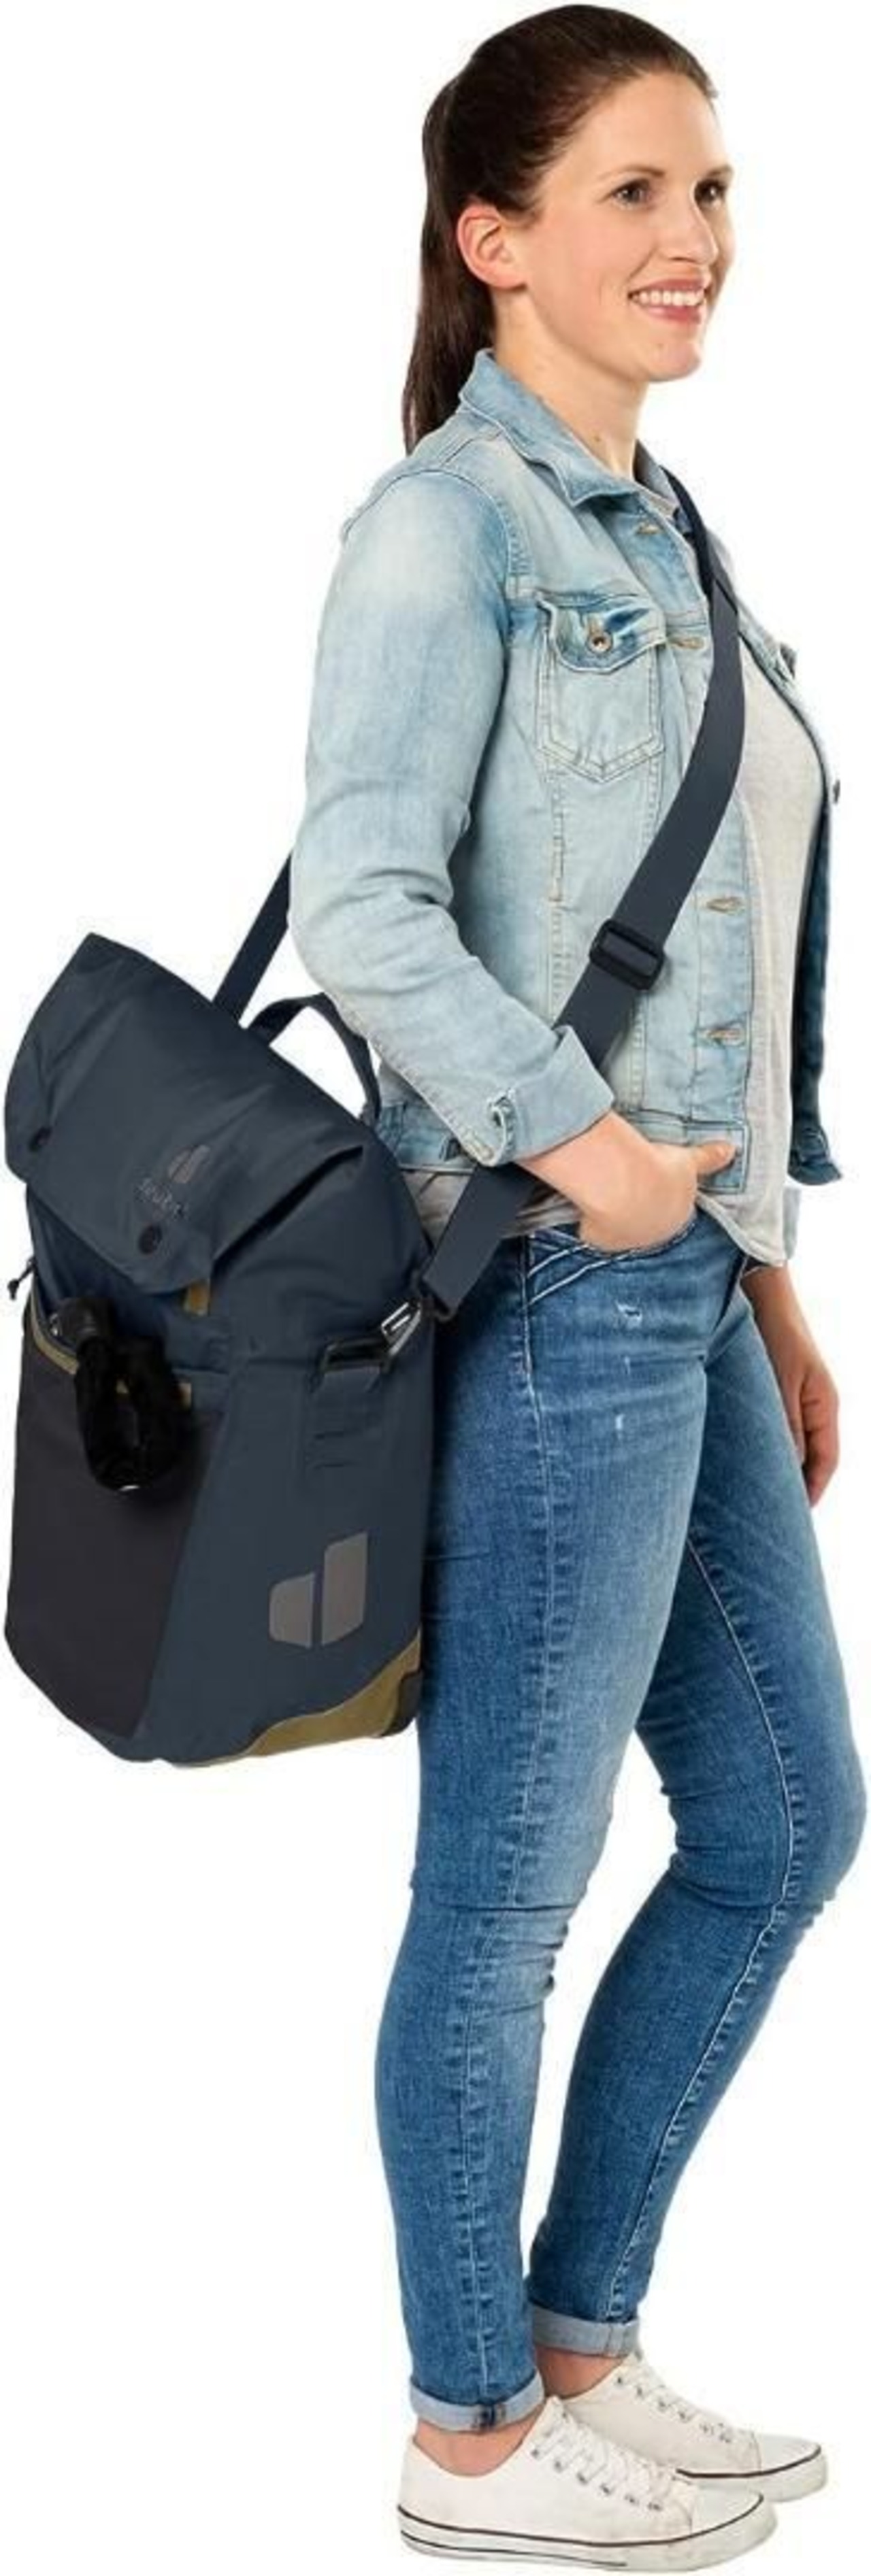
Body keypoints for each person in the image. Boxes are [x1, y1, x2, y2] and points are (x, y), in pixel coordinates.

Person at [289, 10, 866, 2564]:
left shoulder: (666, 528)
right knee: (506, 1886)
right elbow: (363, 905)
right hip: (547, 1272)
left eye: (713, 190)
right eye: (635, 190)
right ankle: (469, 2431)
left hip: (680, 1278)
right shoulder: (451, 529)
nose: (696, 239)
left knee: (786, 1815)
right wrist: (596, 1156)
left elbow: (734, 930)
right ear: (494, 239)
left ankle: (581, 2344)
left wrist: (759, 1263)